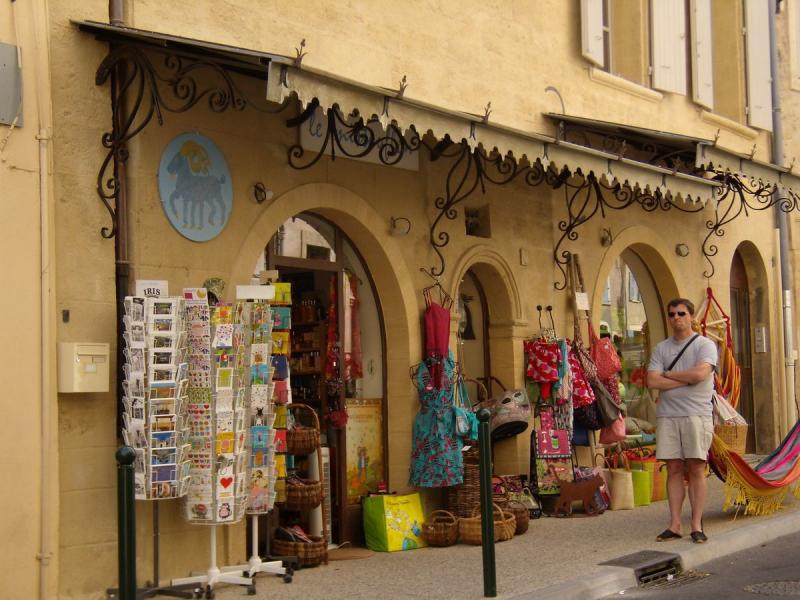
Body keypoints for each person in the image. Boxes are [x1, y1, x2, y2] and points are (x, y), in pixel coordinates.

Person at [647, 298, 717, 544]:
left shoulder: (704, 345)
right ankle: (675, 524)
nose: (676, 318)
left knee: (696, 467)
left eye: (681, 313)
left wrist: (668, 374)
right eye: (672, 314)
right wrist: (685, 379)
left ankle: (696, 524)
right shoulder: (661, 348)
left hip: (696, 414)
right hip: (668, 415)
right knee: (674, 469)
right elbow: (652, 381)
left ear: (691, 317)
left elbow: (700, 374)